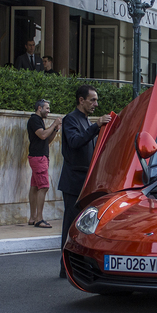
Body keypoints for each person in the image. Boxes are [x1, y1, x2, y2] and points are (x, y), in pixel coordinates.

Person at [58, 85, 112, 277]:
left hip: (86, 181)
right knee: (70, 225)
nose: (96, 104)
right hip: (73, 182)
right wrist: (96, 126)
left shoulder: (85, 120)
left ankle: (79, 266)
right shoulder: (70, 119)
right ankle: (66, 268)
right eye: (92, 100)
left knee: (84, 225)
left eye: (96, 100)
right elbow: (75, 142)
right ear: (81, 100)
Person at [27, 99, 62, 228]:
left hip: (39, 157)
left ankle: (32, 217)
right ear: (39, 108)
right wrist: (54, 124)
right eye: (47, 108)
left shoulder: (39, 121)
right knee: (44, 186)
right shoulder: (34, 120)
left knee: (35, 186)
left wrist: (55, 130)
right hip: (38, 158)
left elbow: (46, 140)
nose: (49, 111)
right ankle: (39, 219)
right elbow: (42, 135)